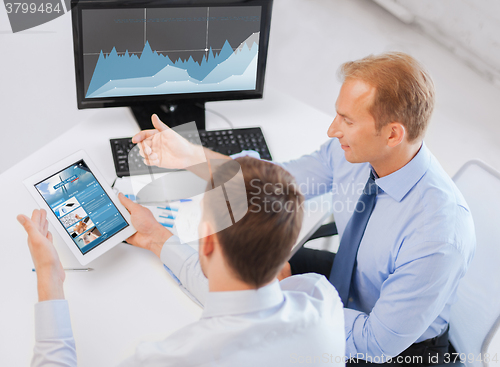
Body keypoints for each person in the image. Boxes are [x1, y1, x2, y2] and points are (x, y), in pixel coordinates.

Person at [133, 52, 476, 365]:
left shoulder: (439, 234)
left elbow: (376, 342)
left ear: (392, 134)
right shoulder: (355, 155)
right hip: (351, 282)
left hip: (398, 351)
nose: (332, 129)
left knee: (245, 293)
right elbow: (269, 187)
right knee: (242, 266)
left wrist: (275, 301)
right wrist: (190, 155)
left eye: (347, 120)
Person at [18, 157, 346, 367]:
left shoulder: (174, 358)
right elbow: (241, 299)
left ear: (206, 243)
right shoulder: (321, 299)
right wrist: (155, 238)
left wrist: (49, 277)